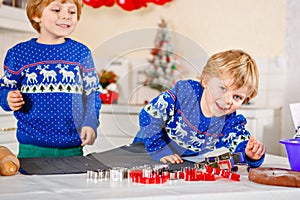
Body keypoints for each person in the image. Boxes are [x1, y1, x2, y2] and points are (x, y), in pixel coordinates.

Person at [0, 0, 101, 158]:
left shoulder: (81, 53)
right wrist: (8, 98)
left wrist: (90, 123)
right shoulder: (18, 53)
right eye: (56, 10)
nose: (66, 16)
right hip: (32, 148)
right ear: (36, 15)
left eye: (72, 12)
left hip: (72, 147)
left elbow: (92, 94)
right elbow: (5, 88)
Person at [133, 49, 266, 168]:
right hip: (142, 154)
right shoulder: (185, 93)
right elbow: (149, 115)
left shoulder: (229, 123)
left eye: (237, 97)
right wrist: (160, 150)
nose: (227, 100)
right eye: (222, 88)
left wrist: (251, 154)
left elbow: (240, 145)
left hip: (175, 164)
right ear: (205, 81)